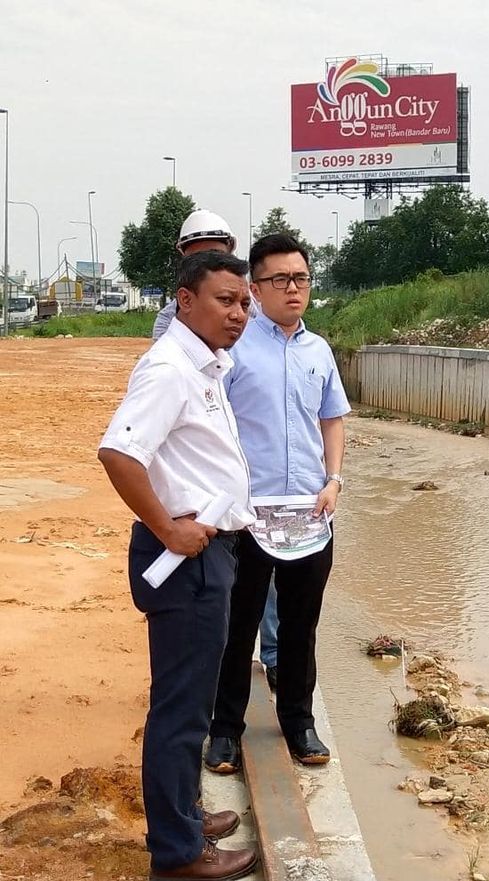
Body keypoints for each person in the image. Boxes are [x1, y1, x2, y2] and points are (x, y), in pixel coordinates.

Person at [98, 250, 258, 881]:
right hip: (184, 558)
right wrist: (169, 526)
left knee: (190, 698)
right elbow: (119, 452)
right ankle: (178, 853)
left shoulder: (206, 365)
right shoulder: (169, 368)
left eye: (244, 302)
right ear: (185, 301)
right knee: (180, 709)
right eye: (226, 300)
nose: (239, 313)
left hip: (206, 552)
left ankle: (183, 815)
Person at [205, 233, 349, 773]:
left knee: (299, 624)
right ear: (255, 287)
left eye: (302, 278)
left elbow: (331, 418)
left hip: (309, 514)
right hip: (246, 515)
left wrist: (333, 480)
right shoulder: (233, 349)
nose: (293, 289)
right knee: (236, 625)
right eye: (280, 280)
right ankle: (224, 730)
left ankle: (299, 723)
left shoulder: (319, 351)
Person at [152, 209, 281, 687]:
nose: (237, 314)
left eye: (217, 248)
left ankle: (271, 657)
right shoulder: (172, 327)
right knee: (215, 586)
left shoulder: (247, 310)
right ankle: (215, 671)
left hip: (244, 463)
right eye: (198, 249)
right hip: (202, 478)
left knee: (260, 573)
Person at [152, 209, 238, 341]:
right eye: (197, 258)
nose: (207, 265)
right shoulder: (169, 321)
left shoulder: (259, 314)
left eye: (215, 255)